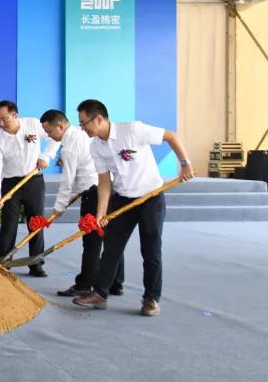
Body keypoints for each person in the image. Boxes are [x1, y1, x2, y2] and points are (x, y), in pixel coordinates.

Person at [72, 99, 195, 317]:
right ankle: (99, 294)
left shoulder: (133, 130)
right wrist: (101, 212)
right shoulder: (96, 146)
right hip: (123, 199)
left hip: (151, 197)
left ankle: (151, 299)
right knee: (111, 248)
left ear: (99, 119)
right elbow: (104, 181)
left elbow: (171, 136)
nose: (82, 128)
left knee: (151, 250)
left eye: (84, 123)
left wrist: (185, 164)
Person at [40, 109, 123, 298]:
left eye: (49, 132)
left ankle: (84, 285)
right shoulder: (82, 134)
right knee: (111, 238)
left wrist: (59, 207)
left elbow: (67, 180)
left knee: (91, 242)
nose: (49, 136)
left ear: (60, 126)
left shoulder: (69, 147)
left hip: (93, 194)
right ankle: (116, 283)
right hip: (108, 189)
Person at [0, 100, 58, 277]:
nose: (1, 123)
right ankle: (4, 262)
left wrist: (46, 156)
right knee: (8, 225)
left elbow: (55, 137)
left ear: (15, 115)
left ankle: (36, 263)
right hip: (10, 184)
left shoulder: (33, 124)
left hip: (34, 181)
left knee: (36, 222)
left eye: (5, 119)